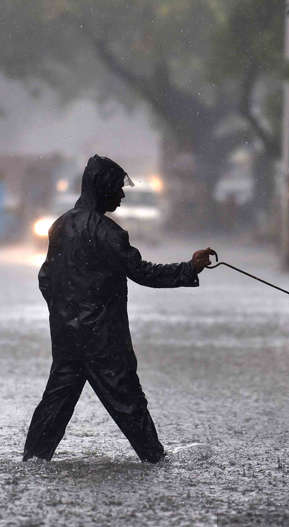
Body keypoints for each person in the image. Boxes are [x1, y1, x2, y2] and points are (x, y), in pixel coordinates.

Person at [23, 155, 214, 464]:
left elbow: (46, 279)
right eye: (117, 188)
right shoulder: (108, 234)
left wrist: (66, 317)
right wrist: (190, 268)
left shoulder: (60, 226)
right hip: (104, 341)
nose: (122, 195)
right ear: (102, 188)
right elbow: (144, 273)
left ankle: (31, 461)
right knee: (129, 403)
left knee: (55, 404)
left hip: (68, 338)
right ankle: (155, 459)